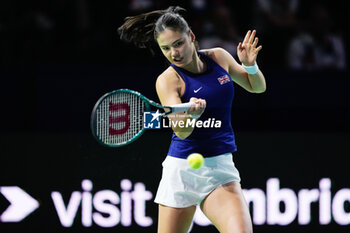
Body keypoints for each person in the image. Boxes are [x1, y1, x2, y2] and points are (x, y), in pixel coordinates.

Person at [118, 6, 266, 233]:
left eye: (178, 43)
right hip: (181, 173)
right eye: (165, 48)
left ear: (191, 37)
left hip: (219, 170)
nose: (173, 53)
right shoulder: (168, 80)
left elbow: (256, 87)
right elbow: (181, 130)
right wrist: (191, 116)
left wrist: (250, 65)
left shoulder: (219, 57)